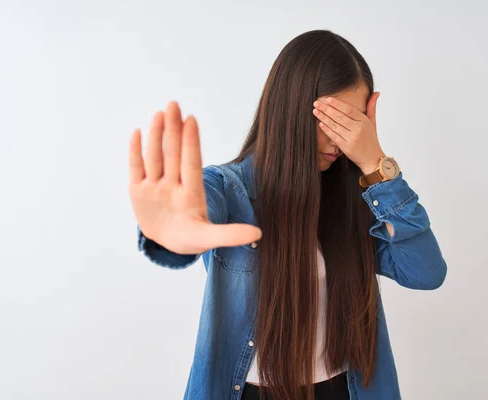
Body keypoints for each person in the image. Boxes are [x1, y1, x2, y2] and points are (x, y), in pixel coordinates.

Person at [128, 29, 447, 400]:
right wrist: (171, 235)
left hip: (345, 391)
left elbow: (426, 273)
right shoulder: (228, 189)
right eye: (329, 120)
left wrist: (378, 167)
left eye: (351, 124)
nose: (338, 140)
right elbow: (192, 217)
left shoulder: (360, 198)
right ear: (290, 108)